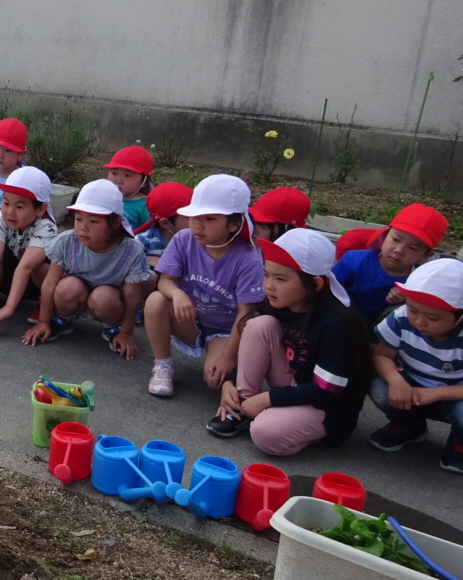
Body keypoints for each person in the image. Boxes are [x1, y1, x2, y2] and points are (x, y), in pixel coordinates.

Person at [208, 229, 368, 455]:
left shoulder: (336, 324)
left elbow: (327, 391)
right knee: (259, 325)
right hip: (295, 385)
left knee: (265, 433)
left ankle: (279, 419)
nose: (269, 285)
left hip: (325, 405)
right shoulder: (281, 302)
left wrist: (268, 399)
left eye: (280, 278)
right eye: (266, 275)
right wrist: (230, 383)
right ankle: (242, 406)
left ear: (316, 284)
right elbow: (251, 345)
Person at [144, 174, 266, 398]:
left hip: (226, 331)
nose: (198, 224)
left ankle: (232, 363)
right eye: (194, 216)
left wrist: (228, 357)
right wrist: (177, 293)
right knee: (156, 300)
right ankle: (163, 365)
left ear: (234, 225)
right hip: (190, 319)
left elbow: (246, 313)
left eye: (210, 218)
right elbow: (165, 281)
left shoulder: (248, 258)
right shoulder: (183, 239)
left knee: (215, 379)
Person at [24, 179, 151, 357]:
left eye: (93, 221)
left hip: (109, 301)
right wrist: (43, 321)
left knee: (104, 297)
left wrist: (126, 332)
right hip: (75, 293)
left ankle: (113, 329)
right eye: (78, 218)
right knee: (66, 288)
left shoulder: (131, 251)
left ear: (115, 223)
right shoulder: (66, 241)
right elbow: (49, 284)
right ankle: (61, 320)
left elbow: (132, 295)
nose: (83, 227)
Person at [369, 258, 463, 472]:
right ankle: (409, 427)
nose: (419, 321)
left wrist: (437, 393)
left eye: (433, 317)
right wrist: (396, 380)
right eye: (413, 310)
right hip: (411, 388)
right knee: (379, 389)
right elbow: (382, 355)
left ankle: (460, 441)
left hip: (455, 396)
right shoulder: (401, 317)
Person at [0, 166, 57, 329]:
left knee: (42, 267)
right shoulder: (0, 218)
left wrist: (9, 308)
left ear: (41, 209)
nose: (10, 212)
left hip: (34, 285)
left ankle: (43, 304)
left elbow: (26, 267)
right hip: (9, 277)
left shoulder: (47, 227)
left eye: (20, 207)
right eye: (6, 202)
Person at [332, 204, 447, 322]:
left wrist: (407, 299)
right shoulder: (354, 260)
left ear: (425, 255)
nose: (398, 250)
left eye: (412, 248)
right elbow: (327, 291)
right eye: (396, 240)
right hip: (341, 320)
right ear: (384, 235)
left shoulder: (420, 280)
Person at [135, 181, 193, 266]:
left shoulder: (200, 241)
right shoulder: (142, 243)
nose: (198, 221)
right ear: (165, 223)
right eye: (189, 216)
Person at [102, 145, 154, 232]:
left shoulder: (146, 206)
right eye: (114, 173)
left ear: (144, 182)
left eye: (127, 175)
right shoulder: (101, 196)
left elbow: (149, 237)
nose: (118, 180)